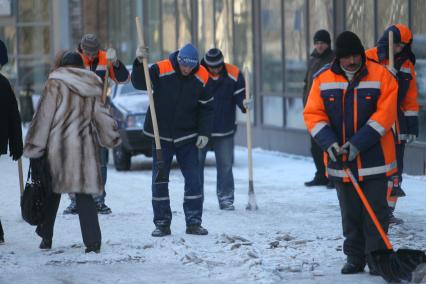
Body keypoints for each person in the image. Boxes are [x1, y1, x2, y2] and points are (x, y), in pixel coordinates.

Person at [304, 31, 398, 275]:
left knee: (376, 213)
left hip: (374, 160)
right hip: (340, 161)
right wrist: (330, 143)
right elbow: (313, 115)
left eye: (356, 56)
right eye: (347, 58)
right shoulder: (322, 79)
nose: (353, 61)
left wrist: (357, 143)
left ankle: (377, 259)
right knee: (350, 214)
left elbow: (384, 116)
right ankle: (355, 258)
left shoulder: (382, 76)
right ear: (338, 58)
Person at [23, 51, 121, 252]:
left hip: (56, 147)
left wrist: (34, 145)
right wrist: (111, 136)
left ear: (62, 66)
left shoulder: (54, 83)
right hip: (82, 148)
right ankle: (93, 242)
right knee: (84, 195)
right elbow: (100, 115)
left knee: (52, 193)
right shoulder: (92, 85)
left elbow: (44, 117)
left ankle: (46, 237)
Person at [131, 43, 213, 237]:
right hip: (162, 136)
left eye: (190, 67)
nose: (186, 70)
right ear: (178, 60)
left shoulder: (202, 75)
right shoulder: (160, 69)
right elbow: (139, 83)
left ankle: (194, 222)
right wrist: (138, 62)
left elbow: (207, 108)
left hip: (188, 137)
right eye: (184, 65)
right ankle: (162, 223)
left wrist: (204, 133)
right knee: (160, 180)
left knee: (194, 180)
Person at [63, 34, 129, 215]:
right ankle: (75, 201)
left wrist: (115, 63)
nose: (91, 57)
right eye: (88, 53)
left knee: (100, 159)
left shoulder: (105, 58)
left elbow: (124, 79)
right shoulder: (72, 60)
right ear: (81, 49)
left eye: (94, 53)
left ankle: (99, 200)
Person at [365, 24, 419, 225]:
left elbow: (410, 99)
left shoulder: (406, 65)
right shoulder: (369, 58)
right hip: (373, 121)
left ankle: (388, 211)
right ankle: (371, 209)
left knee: (395, 170)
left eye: (401, 46)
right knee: (375, 168)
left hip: (397, 125)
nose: (397, 49)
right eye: (395, 44)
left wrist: (412, 125)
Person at [198, 48, 250, 210]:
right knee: (196, 165)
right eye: (211, 67)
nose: (215, 70)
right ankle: (196, 198)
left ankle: (226, 198)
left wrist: (245, 104)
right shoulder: (197, 73)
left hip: (224, 128)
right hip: (201, 130)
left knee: (225, 165)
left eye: (218, 66)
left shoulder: (234, 73)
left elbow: (240, 97)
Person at [303, 30, 335, 189]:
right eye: (317, 42)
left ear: (328, 43)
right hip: (312, 110)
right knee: (315, 146)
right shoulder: (313, 60)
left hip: (327, 109)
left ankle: (333, 177)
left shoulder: (333, 60)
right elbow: (306, 84)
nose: (319, 45)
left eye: (322, 42)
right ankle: (321, 175)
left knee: (328, 144)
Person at [0, 39, 23, 244]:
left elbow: (13, 116)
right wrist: (16, 143)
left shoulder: (3, 84)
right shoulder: (3, 83)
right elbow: (13, 117)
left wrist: (17, 143)